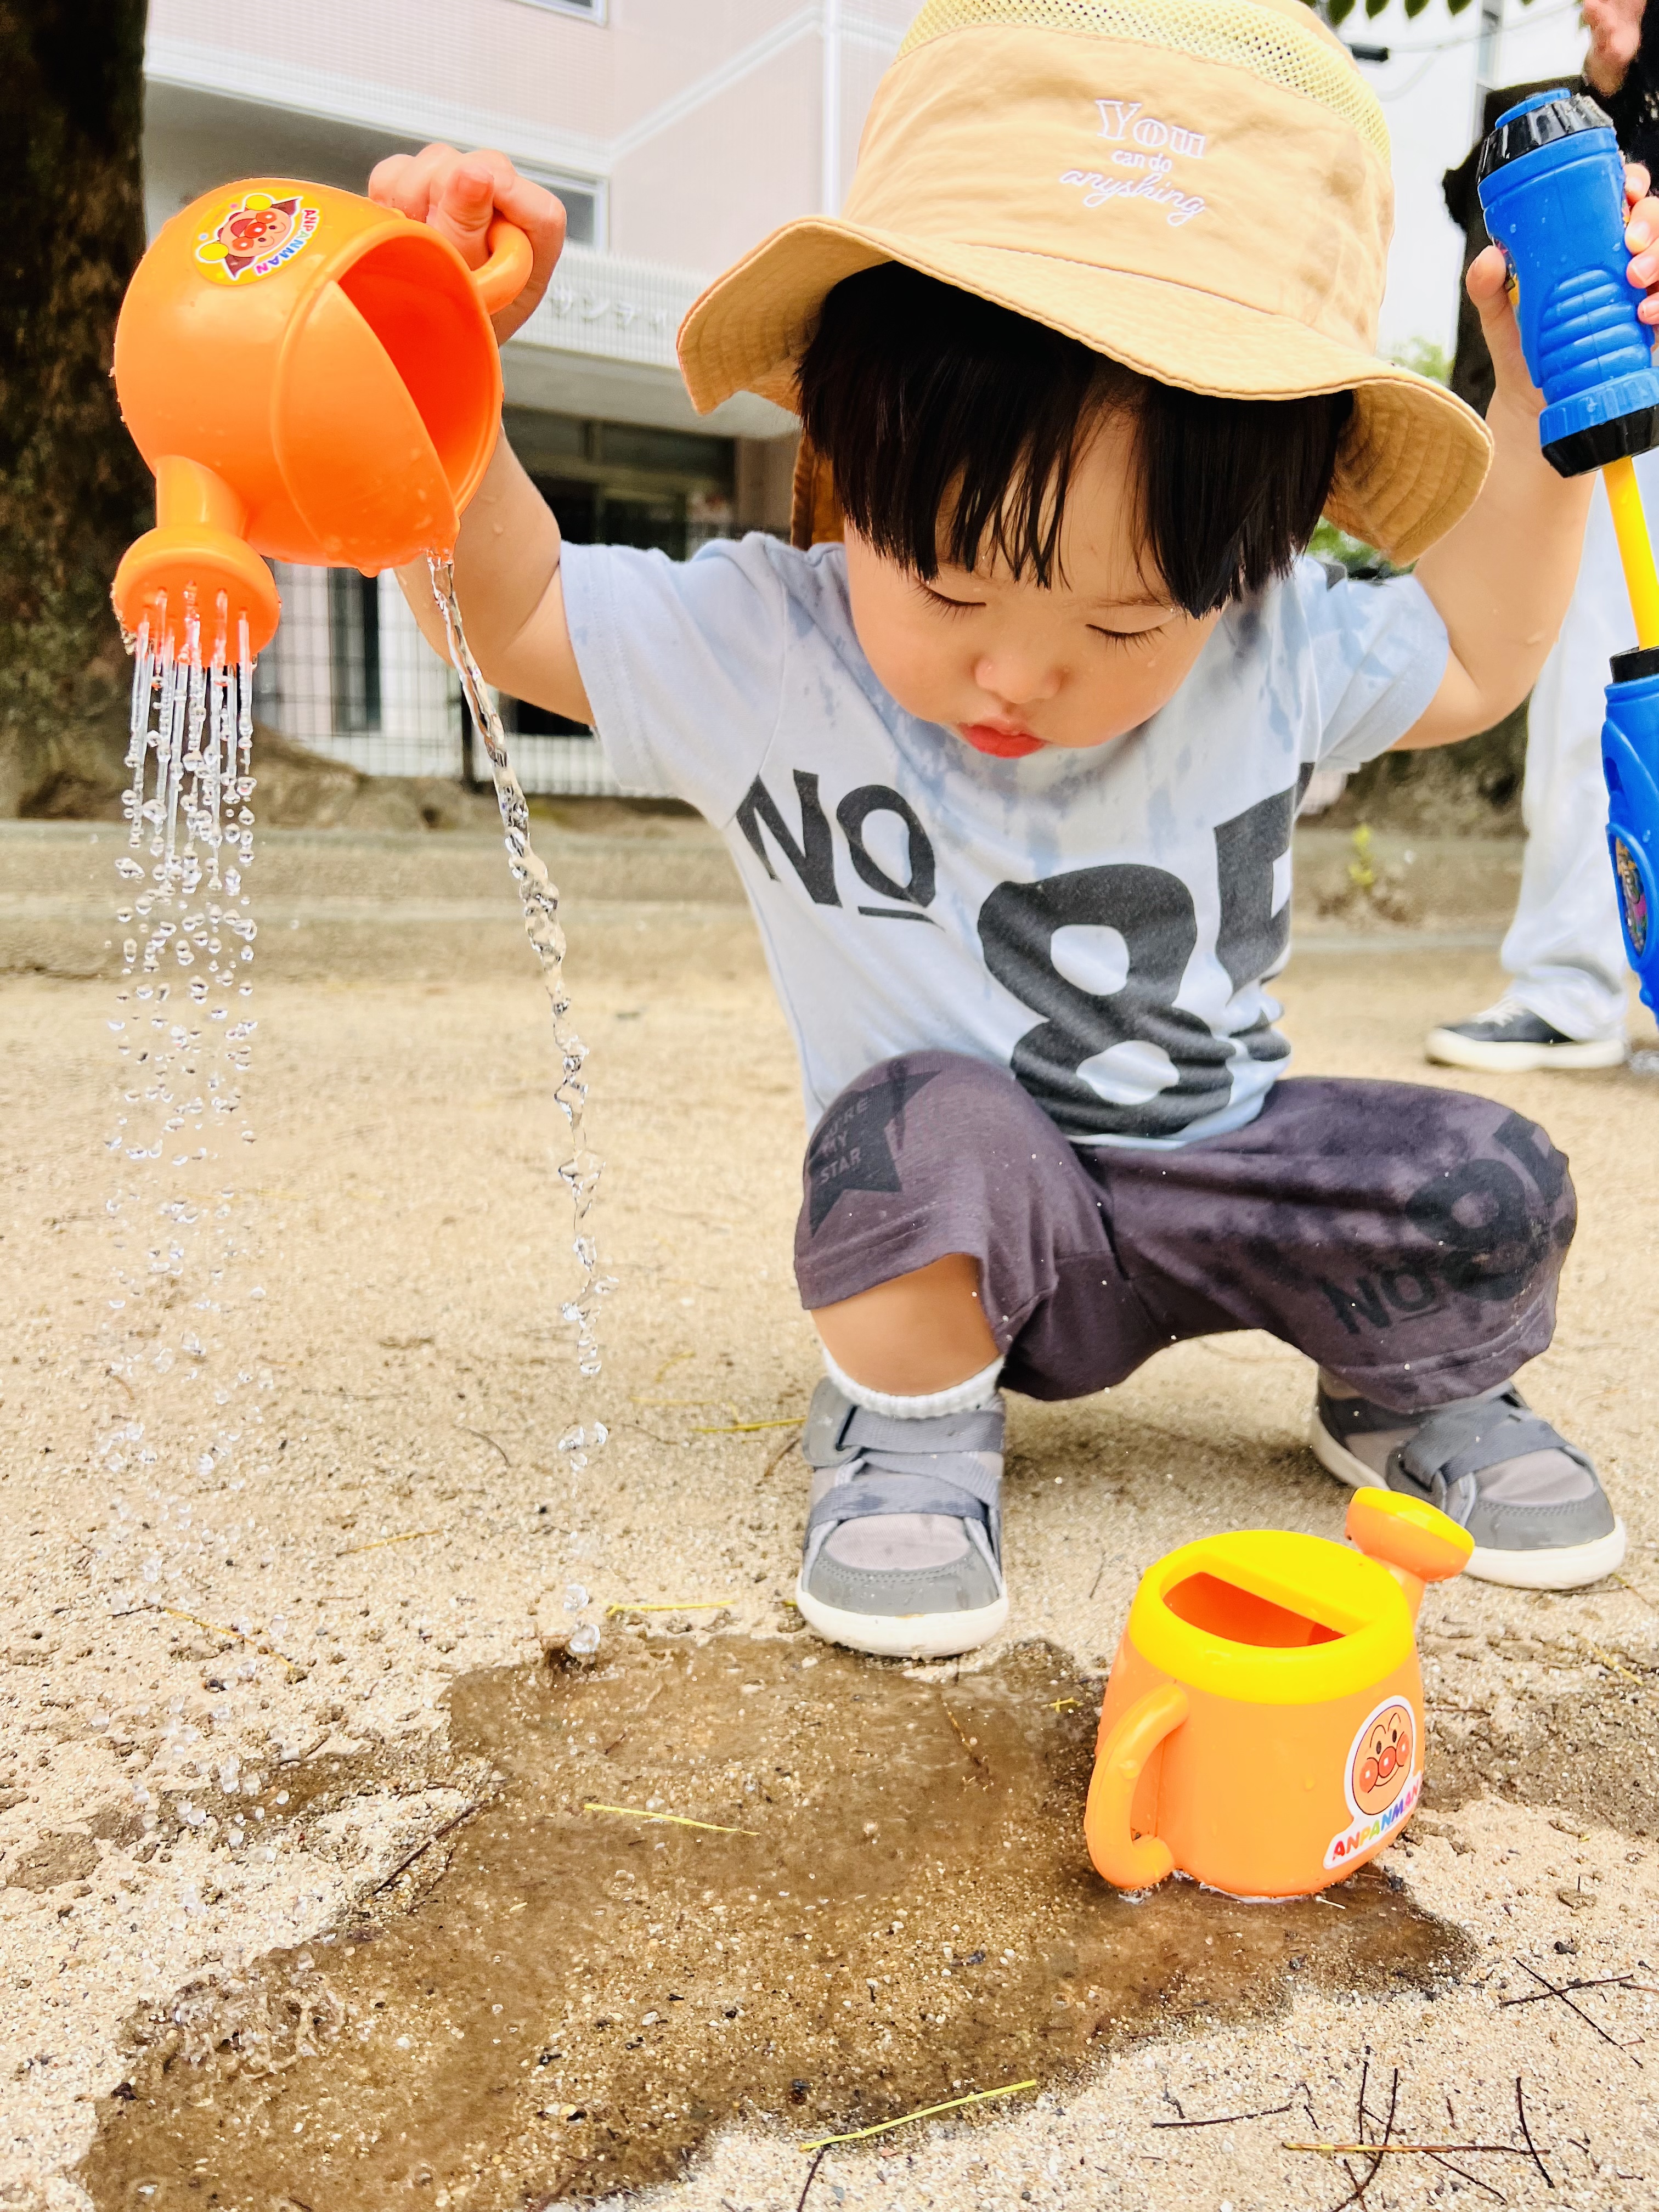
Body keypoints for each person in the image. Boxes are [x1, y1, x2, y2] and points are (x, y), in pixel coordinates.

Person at [383, 0, 1637, 1655]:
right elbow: (519, 610)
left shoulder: (1270, 649)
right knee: (915, 1134)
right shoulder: (777, 652)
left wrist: (1546, 399)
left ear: (1250, 561)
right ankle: (906, 1424)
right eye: (950, 583)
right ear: (847, 461)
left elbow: (1477, 653)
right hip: (959, 1221)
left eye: (1125, 623)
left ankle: (1408, 1390)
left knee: (1492, 1178)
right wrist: (435, 371)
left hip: (1227, 1166)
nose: (1019, 674)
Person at [1429, 0, 1656, 1073]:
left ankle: (1575, 985)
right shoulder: (1599, 106)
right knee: (1599, 683)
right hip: (1623, 398)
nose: (1594, 12)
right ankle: (1572, 984)